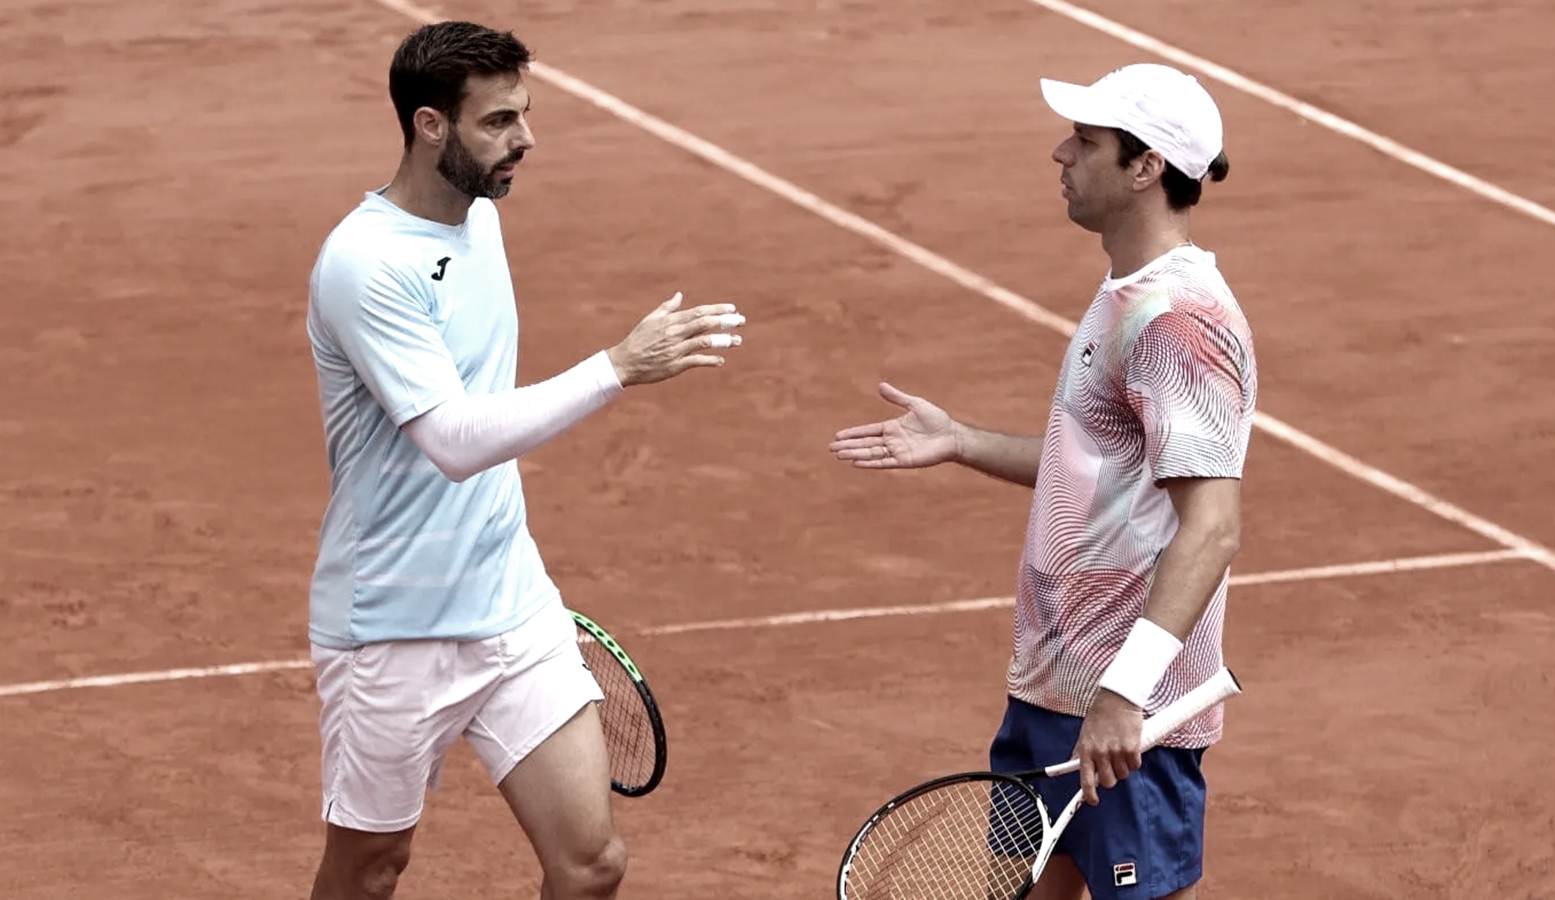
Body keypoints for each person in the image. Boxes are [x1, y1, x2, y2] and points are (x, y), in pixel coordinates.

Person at [301, 20, 744, 900]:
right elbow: (453, 441)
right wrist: (617, 367)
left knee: (590, 864)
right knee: (370, 871)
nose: (526, 139)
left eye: (525, 114)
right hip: (393, 624)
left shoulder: (481, 221)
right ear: (431, 126)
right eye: (499, 121)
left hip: (511, 606)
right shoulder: (365, 264)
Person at [829, 63, 1256, 900]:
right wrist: (960, 441)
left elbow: (1213, 526)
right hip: (1055, 686)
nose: (1062, 153)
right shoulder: (1127, 295)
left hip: (1125, 712)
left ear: (1146, 167)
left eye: (1086, 142)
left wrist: (1124, 694)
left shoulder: (1177, 323)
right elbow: (1099, 472)